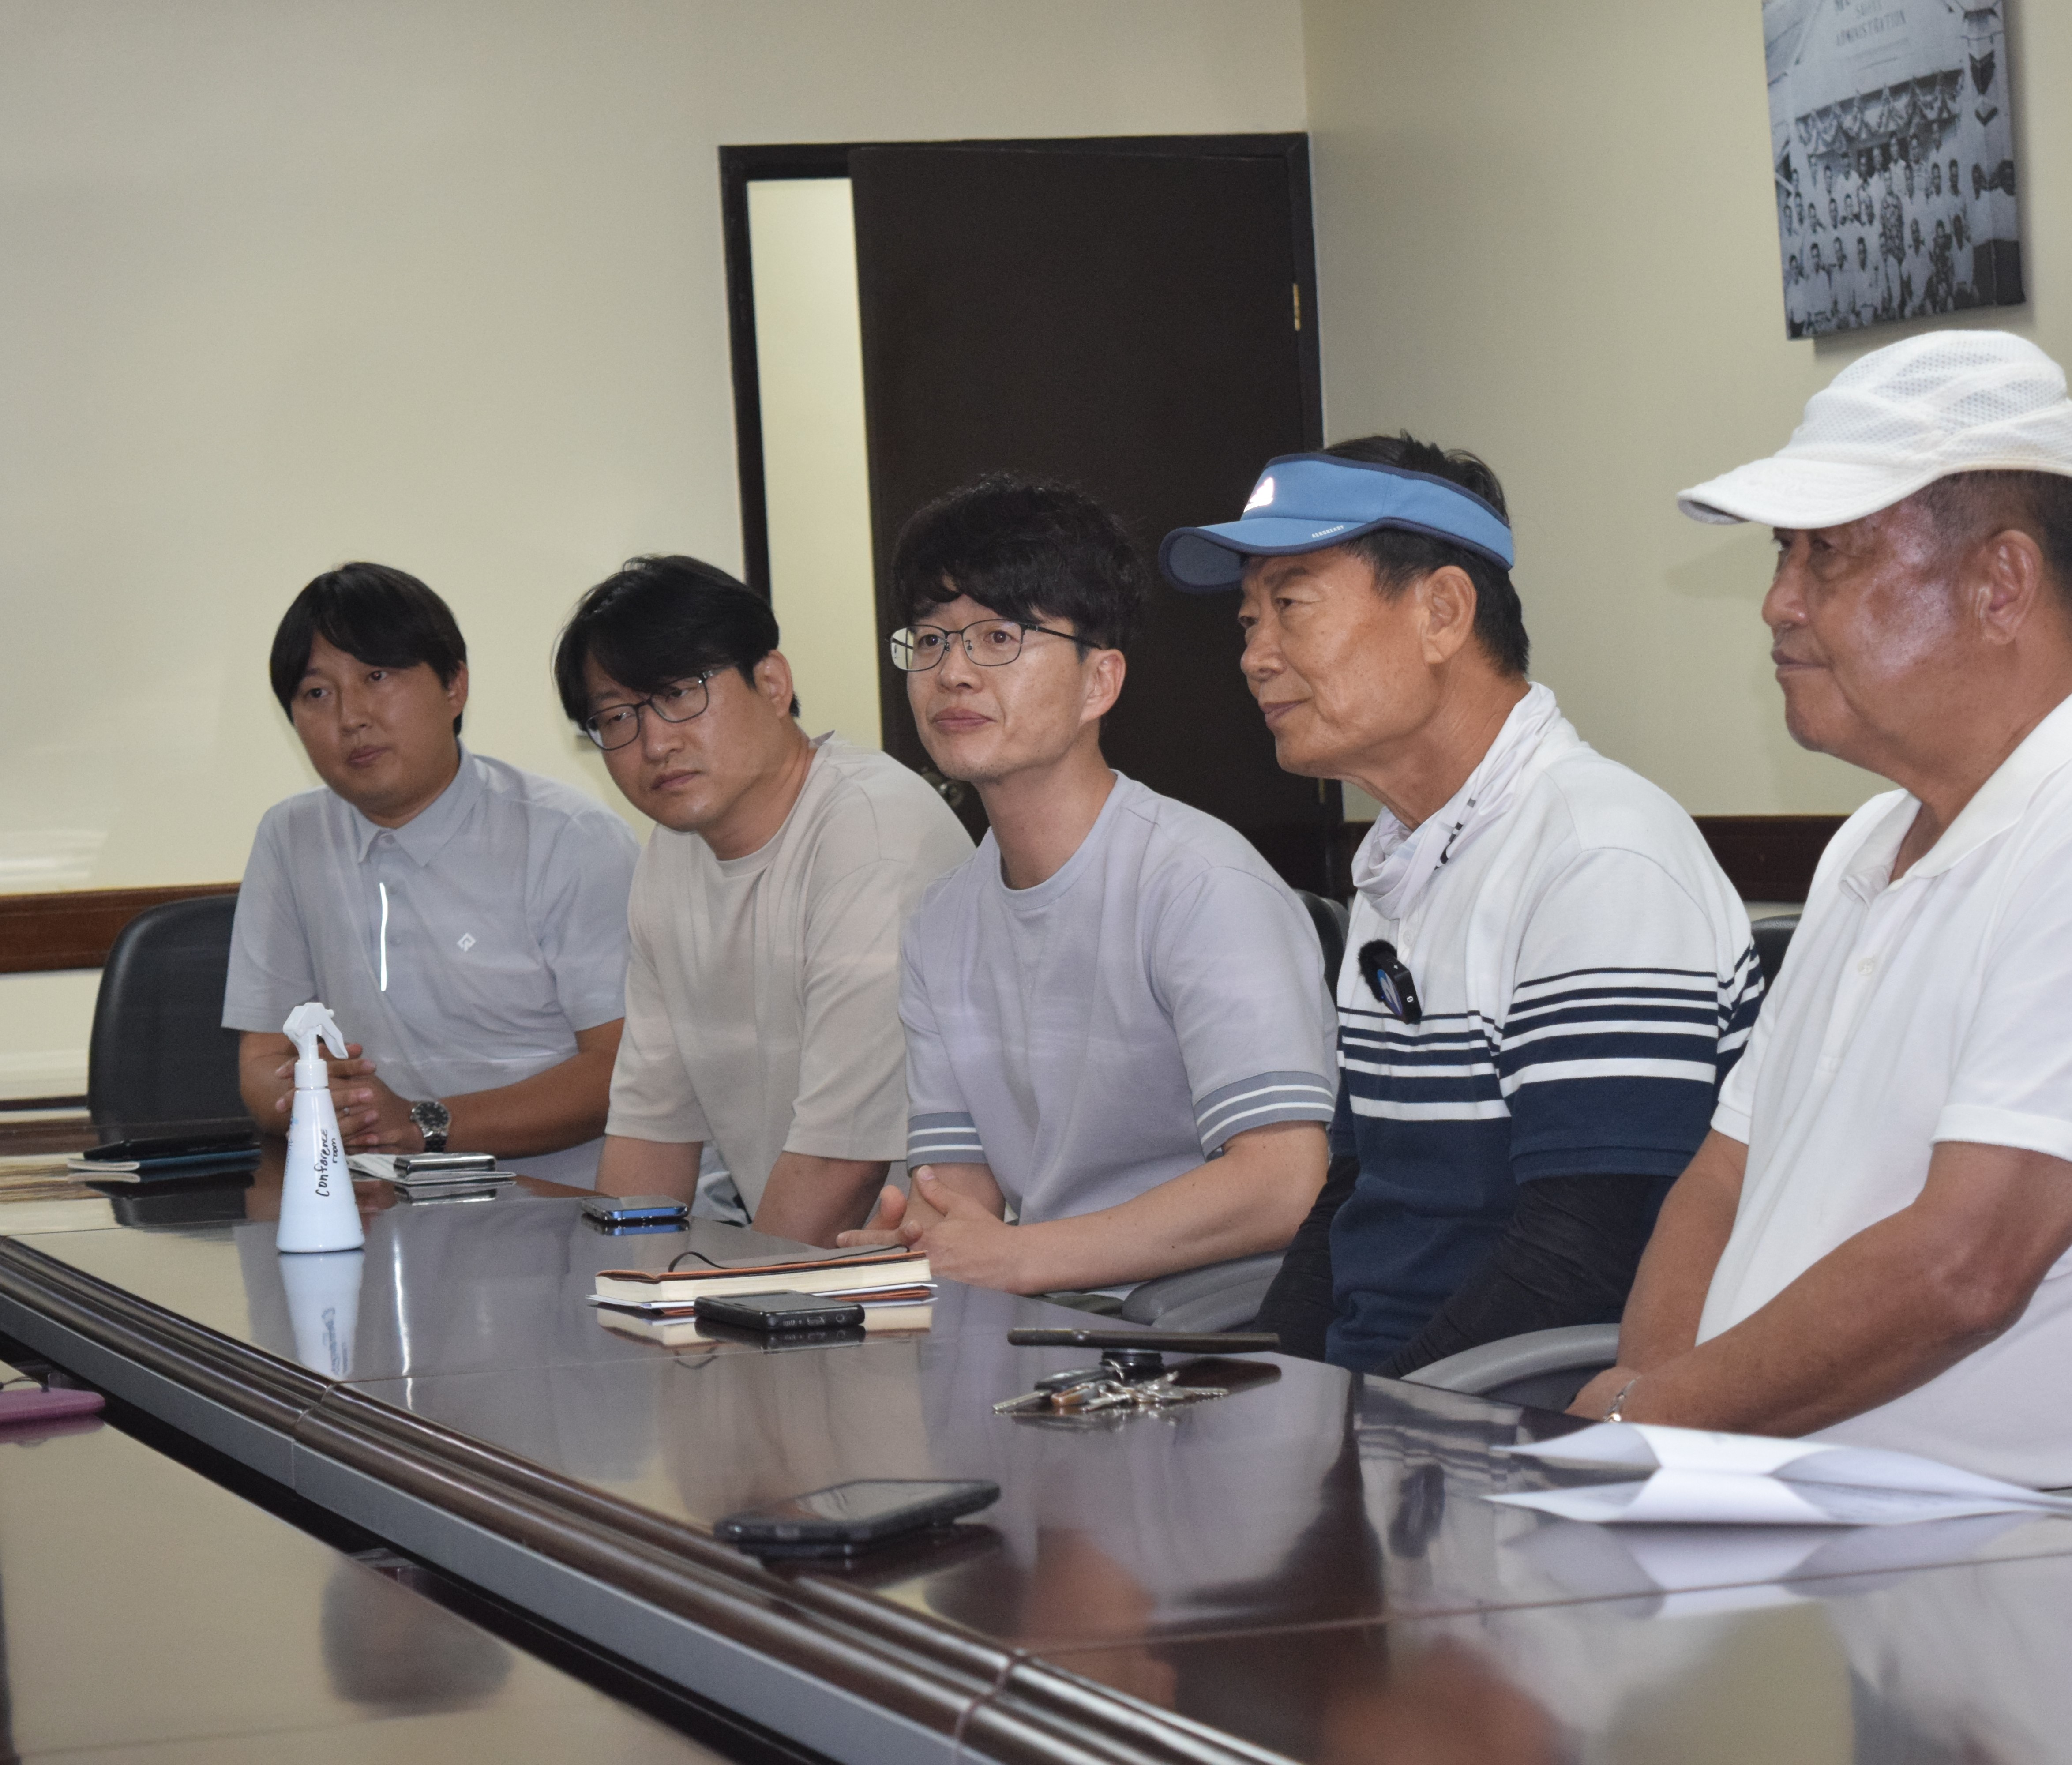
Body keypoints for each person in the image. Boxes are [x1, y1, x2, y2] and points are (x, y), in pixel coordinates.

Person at [1573, 331, 2072, 1487]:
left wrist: (1657, 1423)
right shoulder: (1869, 842)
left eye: (1829, 557)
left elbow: (1966, 1263)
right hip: (1774, 1509)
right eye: (1783, 554)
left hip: (1987, 1567)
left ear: (2000, 584)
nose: (1777, 604)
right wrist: (1661, 1415)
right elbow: (1725, 1177)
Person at [1159, 438, 1759, 1372]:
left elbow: (1582, 1254)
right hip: (1398, 1406)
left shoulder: (1597, 854)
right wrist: (1254, 1387)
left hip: (1501, 1418)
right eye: (1247, 620)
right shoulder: (1404, 859)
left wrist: (1364, 1421)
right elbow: (1351, 1196)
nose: (1255, 656)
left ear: (1440, 611)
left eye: (1290, 605)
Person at [836, 476, 1337, 1299]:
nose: (953, 673)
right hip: (1051, 1323)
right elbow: (955, 1190)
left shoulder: (1199, 884)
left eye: (997, 637)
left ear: (1099, 682)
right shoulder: (941, 921)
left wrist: (1022, 1258)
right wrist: (919, 1245)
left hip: (1210, 1332)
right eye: (930, 641)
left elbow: (1282, 1183)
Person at [555, 554, 972, 1243]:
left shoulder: (869, 831)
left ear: (773, 683)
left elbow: (843, 1166)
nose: (655, 741)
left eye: (681, 694)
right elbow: (651, 1132)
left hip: (935, 1278)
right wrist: (621, 1300)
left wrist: (737, 1306)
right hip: (802, 1275)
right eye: (618, 717)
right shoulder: (673, 851)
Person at [225, 563, 638, 1187]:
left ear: (454, 687)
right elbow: (262, 1059)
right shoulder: (291, 839)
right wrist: (317, 1102)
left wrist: (422, 1123)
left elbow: (626, 1068)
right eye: (317, 693)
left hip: (561, 1214)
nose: (350, 717)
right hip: (379, 1209)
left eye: (377, 677)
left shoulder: (568, 838)